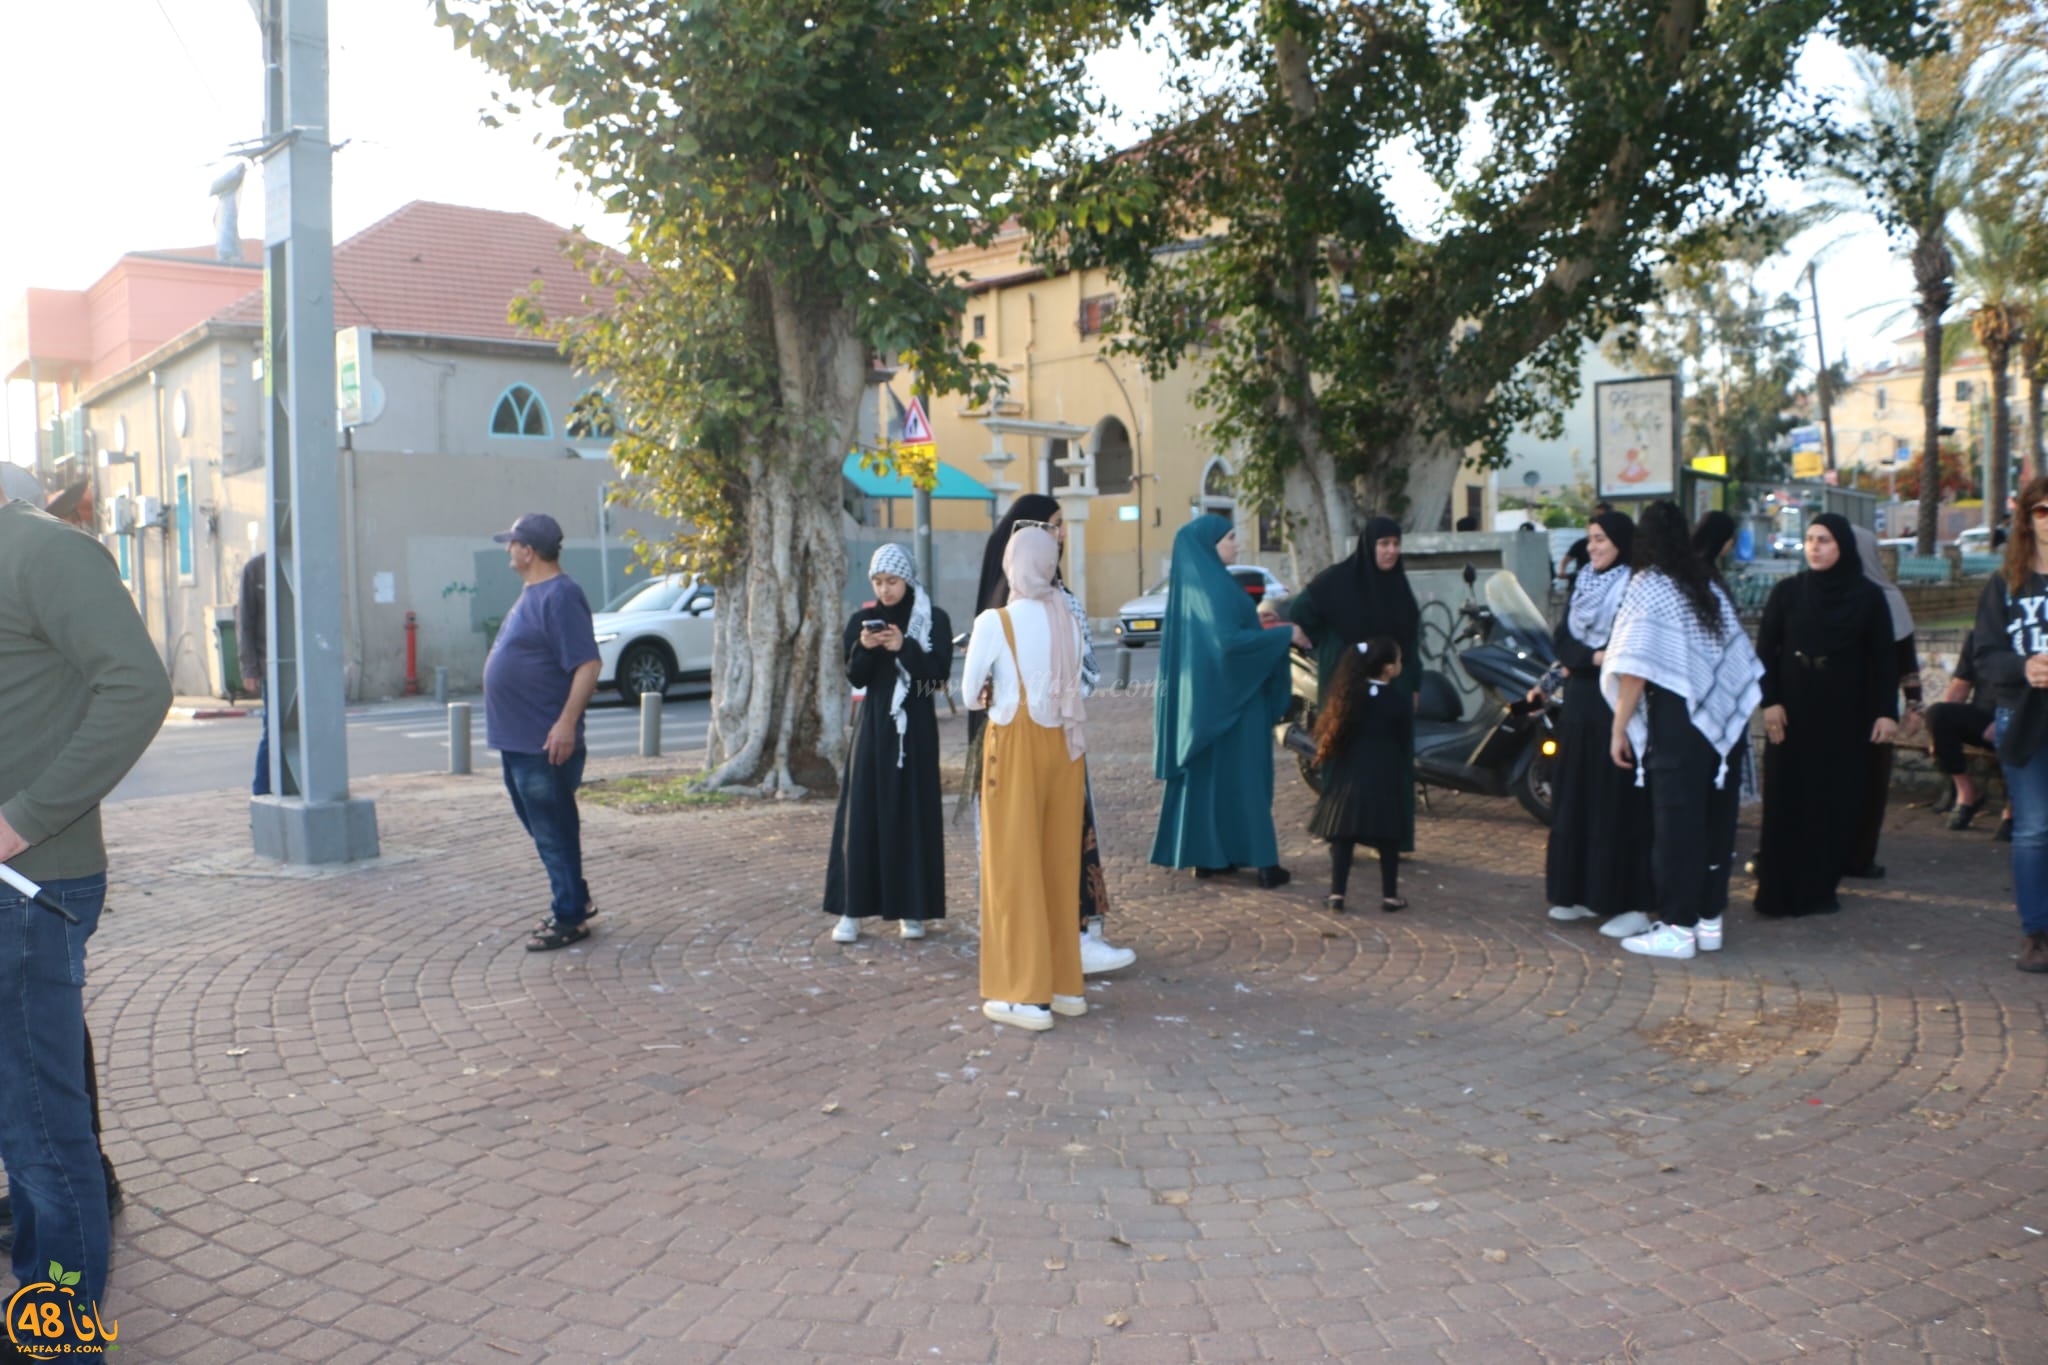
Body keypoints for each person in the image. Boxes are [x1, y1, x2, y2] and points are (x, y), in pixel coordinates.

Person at [0, 496, 172, 1327]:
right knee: (21, 1118)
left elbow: (139, 687)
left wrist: (23, 818)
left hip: (31, 889)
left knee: (40, 1128)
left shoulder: (45, 551)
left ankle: (58, 1338)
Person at [970, 496, 1134, 974]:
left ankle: (1067, 940)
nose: (1061, 535)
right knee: (1033, 843)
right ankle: (1046, 946)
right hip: (1031, 736)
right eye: (1055, 526)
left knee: (1056, 841)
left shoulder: (1039, 601)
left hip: (1039, 734)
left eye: (1061, 526)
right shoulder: (1026, 603)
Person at [1601, 500, 1762, 960]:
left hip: (1677, 724)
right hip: (1721, 729)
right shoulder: (1706, 581)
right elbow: (1735, 660)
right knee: (1715, 822)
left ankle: (1675, 927)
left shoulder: (1649, 584)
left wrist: (1619, 728)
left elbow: (1634, 668)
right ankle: (1708, 921)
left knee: (1676, 827)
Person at [960, 527, 1090, 1029]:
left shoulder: (996, 621)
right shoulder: (1070, 619)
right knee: (1059, 868)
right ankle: (1065, 988)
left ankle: (1026, 996)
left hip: (1014, 746)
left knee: (1013, 870)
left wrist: (995, 689)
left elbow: (971, 695)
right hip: (1066, 749)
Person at [1752, 515, 1899, 918]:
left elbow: (1885, 658)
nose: (1815, 548)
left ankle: (1818, 888)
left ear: (1843, 547)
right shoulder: (1788, 592)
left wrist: (1888, 712)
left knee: (1832, 799)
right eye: (1811, 540)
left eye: (1826, 541)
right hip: (1793, 707)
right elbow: (1766, 651)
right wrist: (1770, 702)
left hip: (1845, 710)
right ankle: (1778, 890)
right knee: (1787, 795)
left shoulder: (1868, 597)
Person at [1152, 515, 1296, 886]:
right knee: (1247, 781)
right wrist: (1284, 636)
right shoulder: (1216, 588)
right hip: (1237, 701)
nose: (1236, 544)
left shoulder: (1198, 587)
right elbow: (1230, 645)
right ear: (1210, 544)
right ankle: (1264, 863)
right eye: (1230, 537)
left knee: (1210, 781)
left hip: (1205, 705)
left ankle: (1210, 857)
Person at [482, 513, 603, 952]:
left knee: (552, 830)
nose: (507, 550)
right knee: (548, 828)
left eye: (511, 543)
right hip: (520, 740)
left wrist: (566, 723)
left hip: (544, 743)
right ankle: (575, 897)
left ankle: (569, 916)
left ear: (528, 551)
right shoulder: (534, 593)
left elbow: (588, 664)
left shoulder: (561, 595)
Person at [824, 545, 952, 943]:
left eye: (892, 581)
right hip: (873, 730)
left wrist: (905, 649)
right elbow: (856, 679)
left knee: (912, 815)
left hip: (916, 732)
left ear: (908, 580)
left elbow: (936, 681)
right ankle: (852, 911)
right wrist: (865, 648)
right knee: (862, 814)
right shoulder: (863, 620)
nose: (885, 590)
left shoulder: (933, 621)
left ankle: (912, 910)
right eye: (878, 582)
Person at [1541, 511, 1653, 936]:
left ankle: (1620, 899)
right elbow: (1564, 642)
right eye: (1590, 539)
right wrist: (1591, 658)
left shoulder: (1635, 585)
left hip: (1617, 706)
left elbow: (1629, 648)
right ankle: (1577, 892)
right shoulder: (1584, 582)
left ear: (1622, 542)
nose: (1593, 547)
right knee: (1576, 799)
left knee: (1613, 804)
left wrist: (1595, 659)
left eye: (1601, 539)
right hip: (1580, 706)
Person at [1289, 515, 1419, 864]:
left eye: (1395, 544)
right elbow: (1300, 612)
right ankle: (1341, 830)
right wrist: (1316, 642)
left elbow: (1412, 641)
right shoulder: (1337, 581)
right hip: (1346, 687)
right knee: (1343, 755)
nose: (1391, 551)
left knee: (1392, 762)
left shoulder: (1399, 588)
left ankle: (1391, 837)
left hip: (1392, 688)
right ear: (1369, 546)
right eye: (1383, 544)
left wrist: (1414, 685)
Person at [1970, 473, 2048, 972]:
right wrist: (2026, 667)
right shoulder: (2005, 585)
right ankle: (2036, 932)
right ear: (2027, 520)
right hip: (2022, 717)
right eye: (2042, 511)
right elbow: (1984, 656)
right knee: (2035, 828)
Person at [1310, 637, 1413, 912]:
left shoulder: (1348, 696)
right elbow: (1405, 740)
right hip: (1384, 773)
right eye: (1398, 660)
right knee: (1388, 838)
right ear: (1388, 669)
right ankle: (1389, 896)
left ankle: (1337, 894)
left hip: (1350, 774)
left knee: (1343, 837)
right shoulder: (1398, 700)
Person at [1845, 525, 1921, 879]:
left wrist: (1914, 705)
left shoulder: (1888, 598)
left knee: (1872, 783)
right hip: (1833, 706)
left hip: (1876, 708)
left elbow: (1906, 658)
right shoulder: (1827, 594)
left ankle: (1860, 856)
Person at [1924, 630, 2007, 835]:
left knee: (2017, 733)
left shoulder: (2035, 634)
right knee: (1939, 714)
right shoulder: (1979, 637)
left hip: (2026, 719)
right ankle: (1967, 792)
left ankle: (2012, 810)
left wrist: (2008, 721)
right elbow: (1960, 686)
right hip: (1983, 718)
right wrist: (1936, 732)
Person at [239, 550, 270, 794]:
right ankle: (261, 792)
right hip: (271, 664)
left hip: (306, 665)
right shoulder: (255, 568)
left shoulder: (307, 561)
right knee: (274, 731)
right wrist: (250, 667)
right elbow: (246, 623)